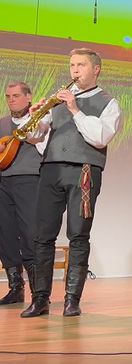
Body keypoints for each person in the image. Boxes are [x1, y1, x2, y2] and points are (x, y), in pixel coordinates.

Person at [21, 48, 123, 317]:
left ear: (96, 69)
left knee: (78, 235)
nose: (74, 70)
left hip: (84, 172)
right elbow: (35, 137)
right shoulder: (56, 102)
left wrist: (75, 109)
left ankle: (71, 300)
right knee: (42, 236)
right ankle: (40, 299)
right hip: (51, 170)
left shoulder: (108, 102)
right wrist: (33, 117)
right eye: (72, 65)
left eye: (80, 65)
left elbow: (99, 137)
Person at [0, 82, 46, 305]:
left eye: (16, 95)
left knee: (30, 234)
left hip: (30, 180)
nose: (11, 100)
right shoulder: (2, 124)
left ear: (29, 97)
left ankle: (39, 294)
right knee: (5, 234)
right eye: (8, 96)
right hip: (3, 182)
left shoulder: (39, 121)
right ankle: (15, 288)